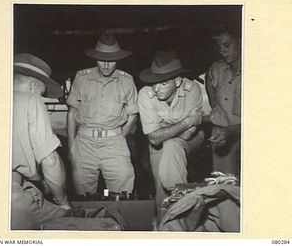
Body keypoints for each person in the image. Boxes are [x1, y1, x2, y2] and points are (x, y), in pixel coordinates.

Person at [66, 33, 138, 196]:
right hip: (84, 143)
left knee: (123, 192)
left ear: (118, 59)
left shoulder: (126, 80)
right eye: (101, 59)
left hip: (114, 145)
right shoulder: (81, 77)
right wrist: (71, 146)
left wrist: (119, 136)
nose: (106, 65)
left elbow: (133, 114)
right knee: (83, 197)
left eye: (111, 60)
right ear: (94, 58)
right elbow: (72, 113)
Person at [138, 51, 204, 210]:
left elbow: (188, 135)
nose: (156, 89)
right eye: (154, 83)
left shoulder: (192, 89)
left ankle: (181, 205)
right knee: (161, 193)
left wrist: (163, 130)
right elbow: (153, 139)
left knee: (171, 144)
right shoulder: (145, 95)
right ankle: (166, 225)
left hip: (191, 141)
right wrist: (188, 121)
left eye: (163, 83)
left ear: (178, 81)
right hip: (158, 145)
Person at [12, 53, 70, 230]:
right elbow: (50, 161)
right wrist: (63, 202)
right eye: (42, 93)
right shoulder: (30, 100)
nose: (41, 97)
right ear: (32, 87)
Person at [205, 28, 241, 176]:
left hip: (252, 137)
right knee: (223, 187)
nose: (222, 51)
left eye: (227, 45)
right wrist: (215, 107)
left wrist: (230, 131)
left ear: (241, 41)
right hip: (223, 139)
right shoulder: (218, 69)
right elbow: (208, 77)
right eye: (219, 47)